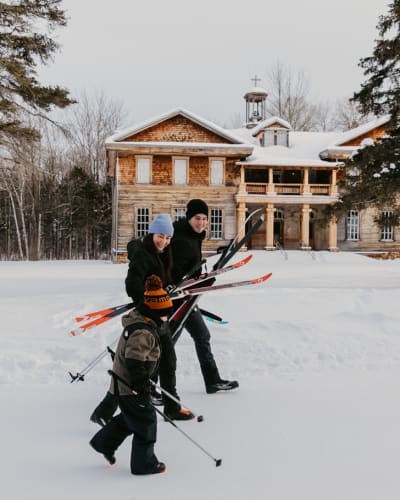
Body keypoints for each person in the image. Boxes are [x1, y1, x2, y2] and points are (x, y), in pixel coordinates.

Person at [90, 213, 192, 426]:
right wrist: (148, 303)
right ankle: (105, 411)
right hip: (145, 317)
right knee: (137, 366)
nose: (163, 241)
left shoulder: (164, 254)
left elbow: (163, 280)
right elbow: (132, 285)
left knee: (167, 360)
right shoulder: (143, 255)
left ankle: (172, 407)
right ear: (152, 233)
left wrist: (172, 286)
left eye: (167, 237)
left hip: (157, 316)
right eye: (160, 236)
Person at [89, 275, 172, 475]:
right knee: (146, 421)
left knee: (130, 418)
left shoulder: (142, 323)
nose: (166, 318)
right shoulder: (142, 332)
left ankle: (103, 443)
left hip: (125, 384)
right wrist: (141, 385)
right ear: (153, 312)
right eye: (164, 314)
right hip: (130, 385)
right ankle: (143, 464)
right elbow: (135, 361)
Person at [171, 199, 239, 394]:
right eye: (197, 218)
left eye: (204, 219)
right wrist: (204, 281)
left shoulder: (194, 236)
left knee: (202, 335)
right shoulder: (182, 240)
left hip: (188, 298)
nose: (201, 223)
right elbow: (177, 275)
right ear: (189, 218)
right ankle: (150, 384)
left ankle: (212, 381)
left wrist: (205, 277)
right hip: (177, 300)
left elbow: (190, 270)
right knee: (169, 342)